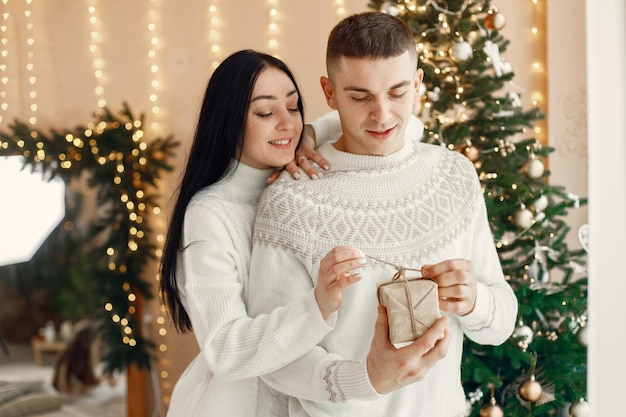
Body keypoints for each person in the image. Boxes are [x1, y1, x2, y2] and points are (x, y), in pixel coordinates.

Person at [247, 12, 518, 417]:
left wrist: (475, 301)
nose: (382, 115)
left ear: (418, 85)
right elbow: (272, 355)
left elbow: (502, 321)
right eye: (360, 97)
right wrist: (367, 379)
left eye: (397, 93)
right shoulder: (291, 198)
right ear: (330, 92)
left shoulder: (454, 173)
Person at [159, 49, 367, 417]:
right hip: (236, 404)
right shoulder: (210, 213)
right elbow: (224, 348)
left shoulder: (300, 176)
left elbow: (403, 124)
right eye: (266, 112)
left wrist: (314, 132)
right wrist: (317, 305)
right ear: (229, 121)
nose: (287, 124)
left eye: (294, 107)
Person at [52, 320, 115, 395]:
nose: (98, 351)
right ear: (87, 345)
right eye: (97, 346)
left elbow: (86, 381)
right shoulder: (74, 364)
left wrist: (102, 379)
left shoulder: (70, 357)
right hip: (71, 400)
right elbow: (80, 388)